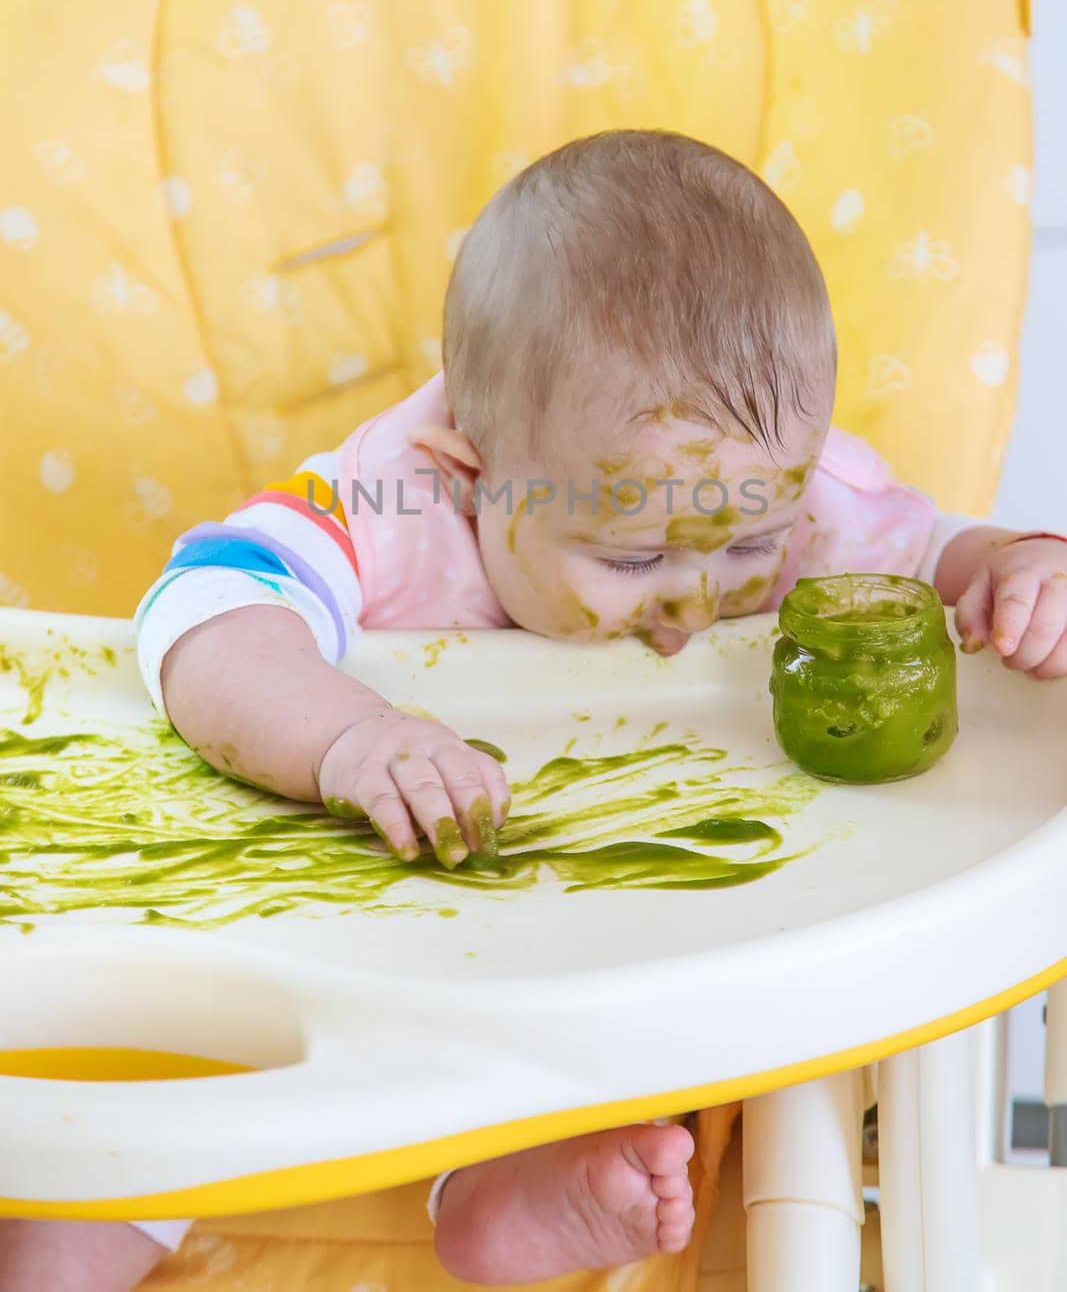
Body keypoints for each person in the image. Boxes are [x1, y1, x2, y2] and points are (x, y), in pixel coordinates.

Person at [6, 131, 1064, 1292]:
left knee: (686, 1016)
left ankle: (502, 1190)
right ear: (471, 474)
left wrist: (1015, 569)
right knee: (128, 1131)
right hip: (318, 926)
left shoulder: (788, 488)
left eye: (749, 544)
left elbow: (930, 554)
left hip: (585, 945)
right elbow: (201, 611)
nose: (697, 596)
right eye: (632, 556)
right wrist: (348, 736)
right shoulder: (393, 496)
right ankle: (94, 1227)